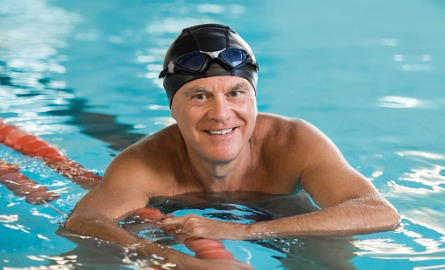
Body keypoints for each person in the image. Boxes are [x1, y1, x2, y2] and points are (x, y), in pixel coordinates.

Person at [65, 24, 399, 269]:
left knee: (329, 248)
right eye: (199, 96)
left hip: (277, 218)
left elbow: (378, 212)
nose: (221, 115)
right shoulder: (143, 162)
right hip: (171, 218)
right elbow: (84, 221)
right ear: (173, 109)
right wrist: (176, 260)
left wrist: (244, 231)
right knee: (98, 255)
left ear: (254, 99)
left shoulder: (292, 142)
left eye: (236, 93)